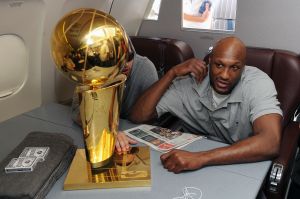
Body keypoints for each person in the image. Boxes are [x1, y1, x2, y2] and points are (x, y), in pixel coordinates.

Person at [129, 36, 283, 173]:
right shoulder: (186, 83)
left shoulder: (258, 83)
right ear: (209, 62)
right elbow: (138, 116)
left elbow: (270, 142)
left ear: (243, 68)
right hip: (192, 162)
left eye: (234, 67)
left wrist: (201, 158)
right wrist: (172, 73)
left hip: (242, 163)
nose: (224, 75)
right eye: (219, 65)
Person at [71, 44, 159, 153]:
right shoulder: (92, 70)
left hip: (134, 133)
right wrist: (106, 128)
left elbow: (151, 119)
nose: (126, 65)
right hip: (108, 132)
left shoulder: (146, 68)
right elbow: (77, 110)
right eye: (117, 60)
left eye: (129, 57)